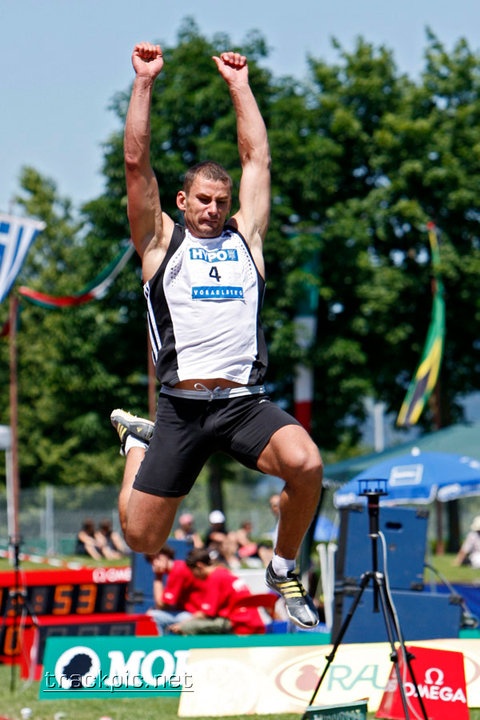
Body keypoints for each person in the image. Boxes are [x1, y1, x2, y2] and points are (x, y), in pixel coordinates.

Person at [110, 41, 323, 629]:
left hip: (241, 404)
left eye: (220, 202)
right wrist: (145, 82)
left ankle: (283, 566)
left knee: (306, 464)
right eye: (202, 200)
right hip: (180, 407)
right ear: (182, 202)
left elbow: (258, 161)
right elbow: (135, 164)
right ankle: (137, 443)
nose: (211, 208)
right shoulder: (159, 243)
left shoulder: (245, 241)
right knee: (143, 539)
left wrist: (239, 84)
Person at [168, 548, 265, 635]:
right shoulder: (223, 571)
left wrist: (182, 625)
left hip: (241, 624)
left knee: (187, 628)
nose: (194, 576)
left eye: (193, 571)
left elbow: (206, 613)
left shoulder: (215, 577)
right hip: (253, 622)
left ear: (199, 566)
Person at [146, 545, 205, 634]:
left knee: (151, 616)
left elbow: (161, 605)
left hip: (197, 614)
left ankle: (158, 646)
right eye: (151, 560)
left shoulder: (178, 569)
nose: (155, 562)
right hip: (191, 612)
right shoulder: (175, 568)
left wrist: (158, 577)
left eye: (158, 557)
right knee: (153, 613)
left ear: (167, 555)